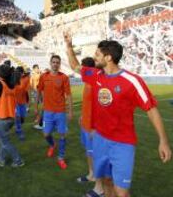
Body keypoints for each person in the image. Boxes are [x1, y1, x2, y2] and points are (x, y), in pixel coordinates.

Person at [64, 32, 171, 197]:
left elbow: (151, 109)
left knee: (121, 192)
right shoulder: (96, 76)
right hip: (100, 139)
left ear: (108, 58)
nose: (94, 57)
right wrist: (69, 47)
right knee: (107, 182)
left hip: (123, 144)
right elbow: (75, 66)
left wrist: (163, 141)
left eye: (98, 54)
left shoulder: (132, 81)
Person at [37, 55, 73, 170]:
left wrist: (70, 111)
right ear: (50, 63)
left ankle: (61, 158)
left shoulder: (64, 78)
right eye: (53, 62)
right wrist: (36, 107)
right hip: (47, 112)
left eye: (57, 62)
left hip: (60, 111)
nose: (55, 64)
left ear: (59, 64)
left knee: (62, 134)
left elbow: (68, 95)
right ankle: (52, 145)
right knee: (46, 134)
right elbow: (38, 91)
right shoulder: (44, 77)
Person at [76, 57, 104, 197]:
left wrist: (95, 126)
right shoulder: (88, 82)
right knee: (89, 152)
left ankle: (99, 188)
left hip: (93, 127)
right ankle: (91, 175)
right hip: (86, 123)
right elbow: (87, 102)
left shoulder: (96, 82)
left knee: (96, 155)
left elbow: (100, 107)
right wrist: (82, 115)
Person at [0, 64, 24, 167]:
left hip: (3, 119)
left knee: (5, 142)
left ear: (0, 74)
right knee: (2, 140)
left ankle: (18, 160)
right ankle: (1, 159)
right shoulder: (13, 84)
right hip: (11, 117)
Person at [14, 66, 30, 141]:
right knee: (18, 116)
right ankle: (19, 131)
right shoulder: (13, 80)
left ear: (21, 73)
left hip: (22, 101)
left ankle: (18, 127)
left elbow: (26, 90)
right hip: (15, 102)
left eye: (18, 73)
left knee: (22, 118)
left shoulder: (26, 79)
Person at [30, 64, 42, 130]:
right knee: (36, 106)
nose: (38, 69)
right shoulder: (33, 75)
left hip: (41, 92)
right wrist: (32, 92)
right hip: (35, 92)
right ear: (34, 69)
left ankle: (39, 118)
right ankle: (37, 118)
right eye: (37, 68)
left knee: (41, 105)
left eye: (38, 68)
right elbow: (31, 84)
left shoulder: (40, 74)